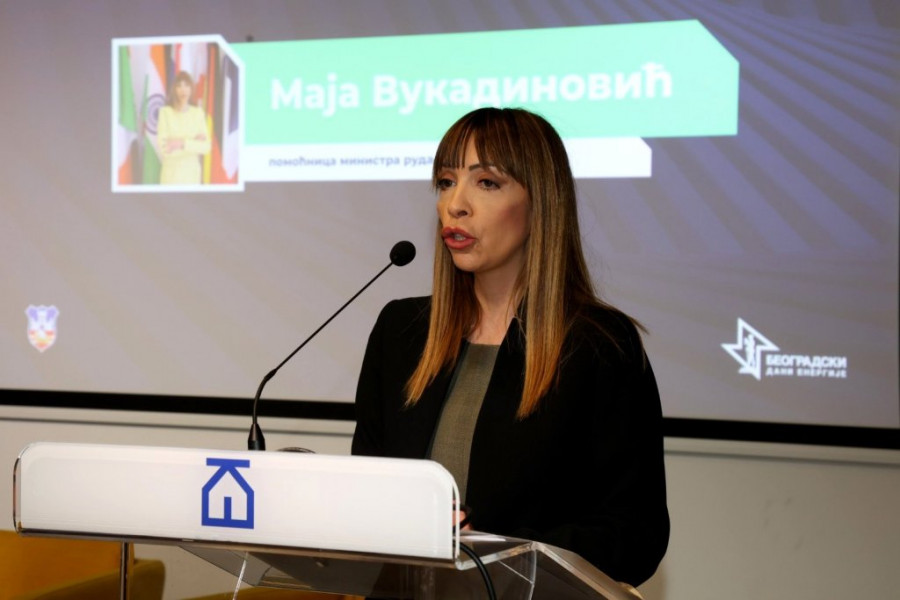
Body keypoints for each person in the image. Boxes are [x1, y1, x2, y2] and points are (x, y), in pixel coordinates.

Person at [352, 107, 669, 587]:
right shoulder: (401, 332)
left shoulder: (598, 346)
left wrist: (500, 552)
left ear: (540, 202)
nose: (455, 204)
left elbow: (635, 534)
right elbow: (368, 492)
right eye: (446, 182)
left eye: (487, 183)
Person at [157, 70, 210, 185]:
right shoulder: (165, 112)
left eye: (186, 85)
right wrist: (193, 142)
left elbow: (206, 147)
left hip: (192, 177)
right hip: (171, 177)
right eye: (179, 86)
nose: (183, 89)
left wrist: (180, 143)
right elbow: (164, 149)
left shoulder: (198, 113)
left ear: (191, 88)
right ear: (174, 89)